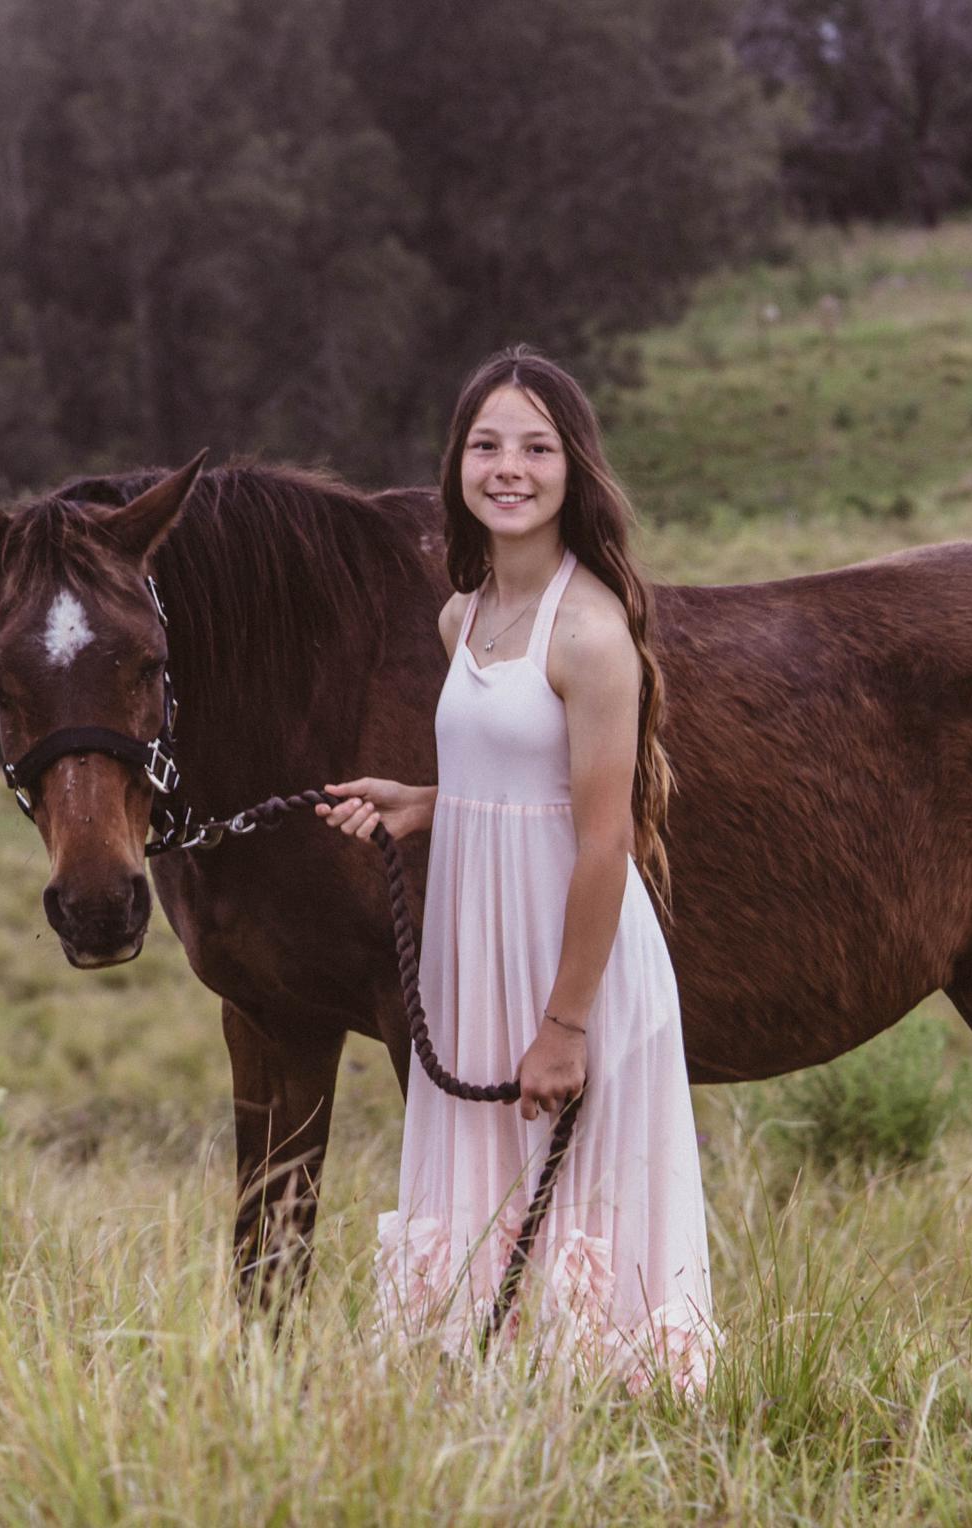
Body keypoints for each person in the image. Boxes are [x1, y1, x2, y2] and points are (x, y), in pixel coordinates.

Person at [317, 345, 716, 1393]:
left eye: (536, 447)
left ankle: (605, 1429)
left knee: (573, 1190)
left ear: (573, 468)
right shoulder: (464, 615)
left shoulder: (589, 634)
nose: (509, 467)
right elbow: (522, 784)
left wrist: (565, 1024)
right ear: (456, 464)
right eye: (486, 444)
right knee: (486, 1184)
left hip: (564, 956)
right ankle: (487, 1418)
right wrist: (426, 803)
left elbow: (601, 837)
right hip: (473, 946)